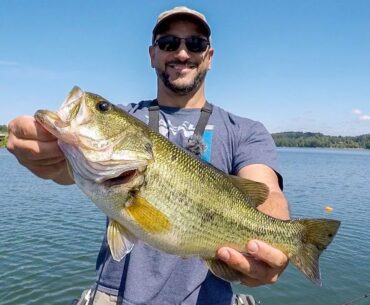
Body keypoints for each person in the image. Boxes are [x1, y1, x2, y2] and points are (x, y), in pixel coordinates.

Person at [7, 6, 290, 305]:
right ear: (152, 54)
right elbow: (63, 170)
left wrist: (279, 237)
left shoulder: (245, 131)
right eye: (168, 43)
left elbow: (266, 190)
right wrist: (44, 155)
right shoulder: (129, 116)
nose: (182, 53)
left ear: (209, 56)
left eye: (195, 44)